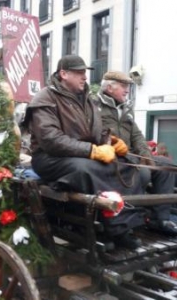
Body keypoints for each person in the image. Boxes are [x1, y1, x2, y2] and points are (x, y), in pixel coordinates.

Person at [25, 55, 149, 249]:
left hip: (79, 154)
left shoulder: (87, 100)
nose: (84, 77)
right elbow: (51, 140)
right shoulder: (45, 98)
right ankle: (106, 229)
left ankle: (123, 226)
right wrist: (92, 150)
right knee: (86, 169)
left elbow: (97, 133)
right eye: (79, 72)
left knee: (127, 164)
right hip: (49, 157)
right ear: (63, 74)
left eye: (85, 72)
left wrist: (112, 142)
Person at [95, 70, 177, 235]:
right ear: (109, 88)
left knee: (168, 165)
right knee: (143, 173)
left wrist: (146, 155)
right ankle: (129, 222)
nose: (127, 90)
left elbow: (137, 135)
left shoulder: (126, 108)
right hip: (111, 156)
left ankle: (160, 219)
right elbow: (93, 134)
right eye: (124, 86)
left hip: (131, 155)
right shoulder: (93, 106)